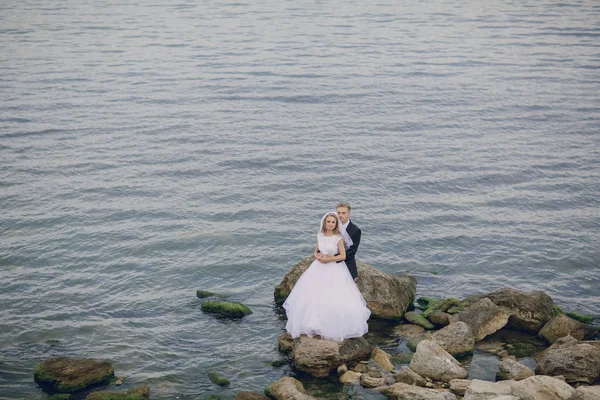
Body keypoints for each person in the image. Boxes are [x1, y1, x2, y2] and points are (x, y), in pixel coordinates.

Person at [283, 212, 371, 341]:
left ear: (336, 225)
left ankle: (333, 325)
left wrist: (331, 258)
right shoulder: (320, 236)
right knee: (313, 295)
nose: (330, 224)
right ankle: (312, 323)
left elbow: (343, 256)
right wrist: (318, 256)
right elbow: (315, 252)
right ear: (325, 223)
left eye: (333, 222)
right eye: (328, 221)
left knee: (333, 295)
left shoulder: (338, 238)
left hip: (334, 268)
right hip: (318, 267)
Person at [335, 202, 361, 281]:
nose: (340, 215)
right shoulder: (332, 225)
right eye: (338, 213)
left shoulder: (355, 230)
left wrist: (333, 258)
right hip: (330, 260)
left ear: (349, 214)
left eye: (343, 213)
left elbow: (352, 252)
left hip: (347, 262)